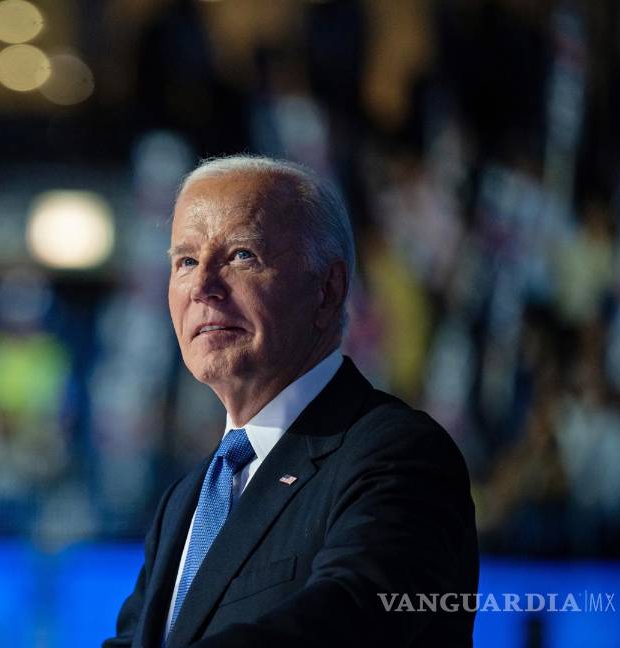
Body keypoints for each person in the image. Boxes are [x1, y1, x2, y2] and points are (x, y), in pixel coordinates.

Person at [104, 156, 478, 648]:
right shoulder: (189, 497)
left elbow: (347, 620)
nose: (202, 287)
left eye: (241, 255)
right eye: (187, 261)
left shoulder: (397, 454)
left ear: (327, 290)